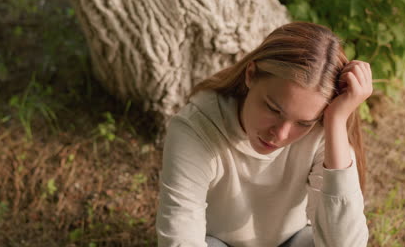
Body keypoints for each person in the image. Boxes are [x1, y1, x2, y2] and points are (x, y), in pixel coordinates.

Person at [156, 22, 371, 247]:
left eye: (303, 122)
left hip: (293, 240)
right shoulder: (196, 128)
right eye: (273, 109)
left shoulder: (323, 129)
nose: (280, 133)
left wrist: (336, 122)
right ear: (251, 74)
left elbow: (346, 244)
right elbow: (181, 239)